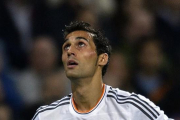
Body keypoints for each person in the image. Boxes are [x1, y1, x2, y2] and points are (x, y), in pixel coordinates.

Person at [32, 21, 173, 120]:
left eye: (81, 44)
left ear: (102, 59)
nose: (70, 52)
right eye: (66, 47)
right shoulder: (46, 116)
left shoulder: (132, 107)